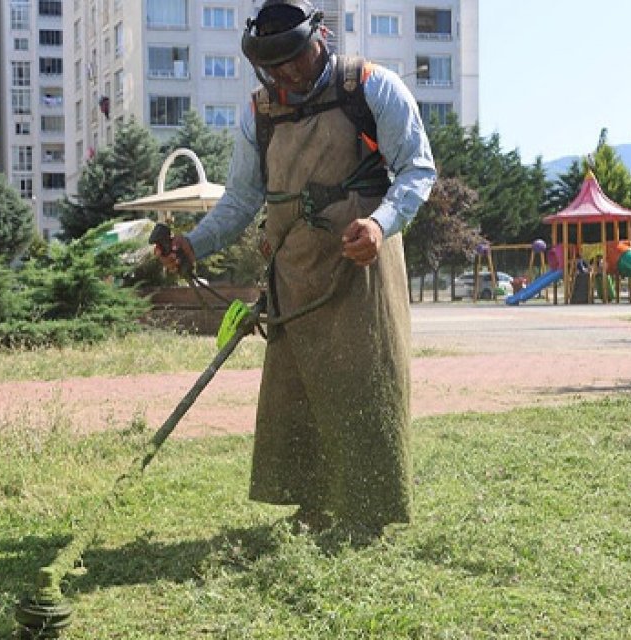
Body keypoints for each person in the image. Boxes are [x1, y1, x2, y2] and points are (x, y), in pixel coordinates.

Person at [156, 0, 436, 538]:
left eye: (295, 60)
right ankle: (313, 507)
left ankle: (367, 511)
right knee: (299, 389)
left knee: (363, 384)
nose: (286, 74)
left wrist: (380, 225)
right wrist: (192, 245)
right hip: (294, 268)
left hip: (363, 268)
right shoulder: (257, 113)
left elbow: (417, 170)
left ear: (320, 38)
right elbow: (240, 201)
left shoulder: (371, 88)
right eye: (272, 67)